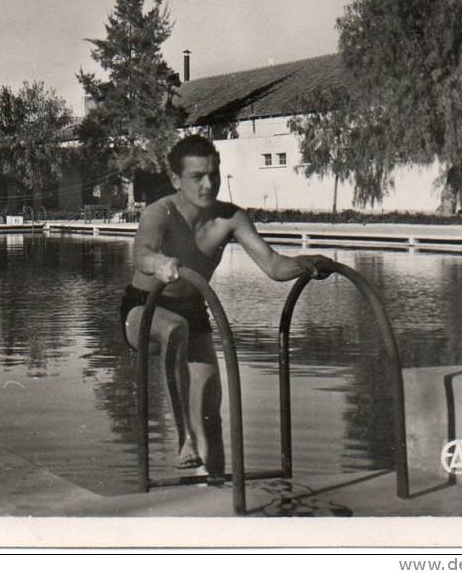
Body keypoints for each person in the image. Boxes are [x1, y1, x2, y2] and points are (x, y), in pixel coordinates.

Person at [121, 135, 335, 477]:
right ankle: (182, 437)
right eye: (197, 177)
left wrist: (305, 262)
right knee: (175, 330)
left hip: (194, 310)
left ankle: (216, 488)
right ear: (176, 180)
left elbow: (273, 265)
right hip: (145, 310)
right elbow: (142, 254)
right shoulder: (158, 213)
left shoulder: (231, 218)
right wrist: (160, 263)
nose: (208, 184)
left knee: (210, 410)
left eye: (214, 174)